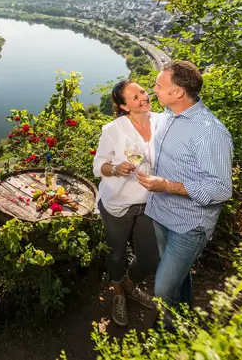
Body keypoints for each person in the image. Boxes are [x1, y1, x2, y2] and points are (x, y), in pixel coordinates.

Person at [137, 61, 233, 324]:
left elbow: (221, 189)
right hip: (160, 213)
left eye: (159, 85)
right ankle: (183, 317)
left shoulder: (209, 132)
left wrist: (167, 186)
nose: (152, 89)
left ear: (178, 92)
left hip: (188, 224)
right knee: (178, 275)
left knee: (163, 287)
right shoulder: (168, 116)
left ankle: (169, 332)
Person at [93, 79, 161, 327]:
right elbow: (97, 166)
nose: (143, 97)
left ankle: (129, 285)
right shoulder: (113, 130)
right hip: (118, 204)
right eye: (135, 97)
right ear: (123, 107)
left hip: (151, 201)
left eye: (143, 91)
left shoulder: (161, 121)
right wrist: (115, 168)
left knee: (151, 256)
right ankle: (118, 294)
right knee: (116, 252)